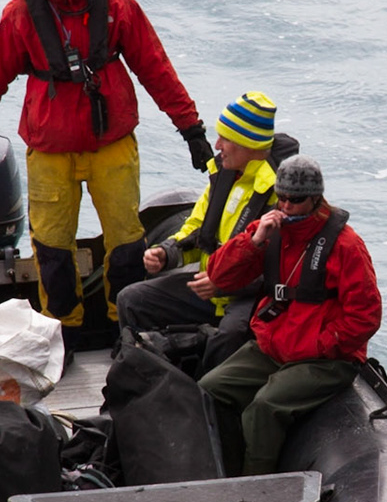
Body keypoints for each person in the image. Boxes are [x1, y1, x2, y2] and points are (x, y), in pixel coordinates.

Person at [0, 0, 210, 336]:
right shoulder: (21, 12)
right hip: (50, 148)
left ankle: (127, 326)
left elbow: (156, 69)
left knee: (125, 241)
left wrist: (191, 129)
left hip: (111, 143)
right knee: (51, 247)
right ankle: (60, 330)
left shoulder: (117, 2)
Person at [197, 157, 381, 476]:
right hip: (274, 346)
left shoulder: (347, 245)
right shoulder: (272, 229)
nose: (286, 205)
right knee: (210, 388)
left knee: (264, 407)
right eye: (281, 197)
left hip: (326, 358)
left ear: (315, 198)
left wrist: (322, 344)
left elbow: (366, 316)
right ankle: (223, 471)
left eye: (295, 200)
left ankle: (257, 485)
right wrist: (254, 241)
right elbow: (219, 275)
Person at [115, 91, 279, 347]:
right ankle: (142, 371)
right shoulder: (225, 175)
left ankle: (208, 385)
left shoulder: (278, 194)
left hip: (247, 296)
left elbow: (278, 271)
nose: (217, 146)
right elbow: (197, 229)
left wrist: (223, 285)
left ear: (248, 144)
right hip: (210, 288)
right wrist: (166, 253)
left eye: (226, 138)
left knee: (230, 335)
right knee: (132, 300)